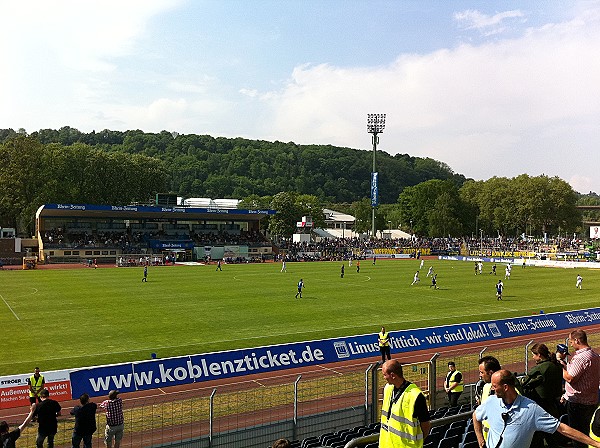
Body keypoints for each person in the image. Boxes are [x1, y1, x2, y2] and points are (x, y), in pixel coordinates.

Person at [473, 370, 600, 448]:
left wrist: (595, 444)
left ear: (505, 387)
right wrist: (480, 437)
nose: (492, 389)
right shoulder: (490, 401)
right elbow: (476, 416)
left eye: (495, 386)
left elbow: (563, 428)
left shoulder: (531, 409)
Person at [556, 329, 600, 448]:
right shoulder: (594, 355)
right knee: (589, 431)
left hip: (578, 402)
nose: (570, 344)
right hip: (591, 400)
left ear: (577, 340)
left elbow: (570, 378)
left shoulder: (580, 358)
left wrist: (558, 365)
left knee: (578, 435)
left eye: (571, 342)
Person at [379, 359, 430, 448]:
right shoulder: (387, 389)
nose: (384, 378)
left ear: (392, 375)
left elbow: (425, 426)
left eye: (384, 375)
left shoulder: (415, 396)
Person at [521, 343, 564, 448]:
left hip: (540, 406)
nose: (532, 357)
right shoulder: (557, 365)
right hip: (554, 405)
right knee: (553, 435)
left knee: (537, 437)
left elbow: (525, 383)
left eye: (533, 355)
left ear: (539, 355)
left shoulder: (541, 368)